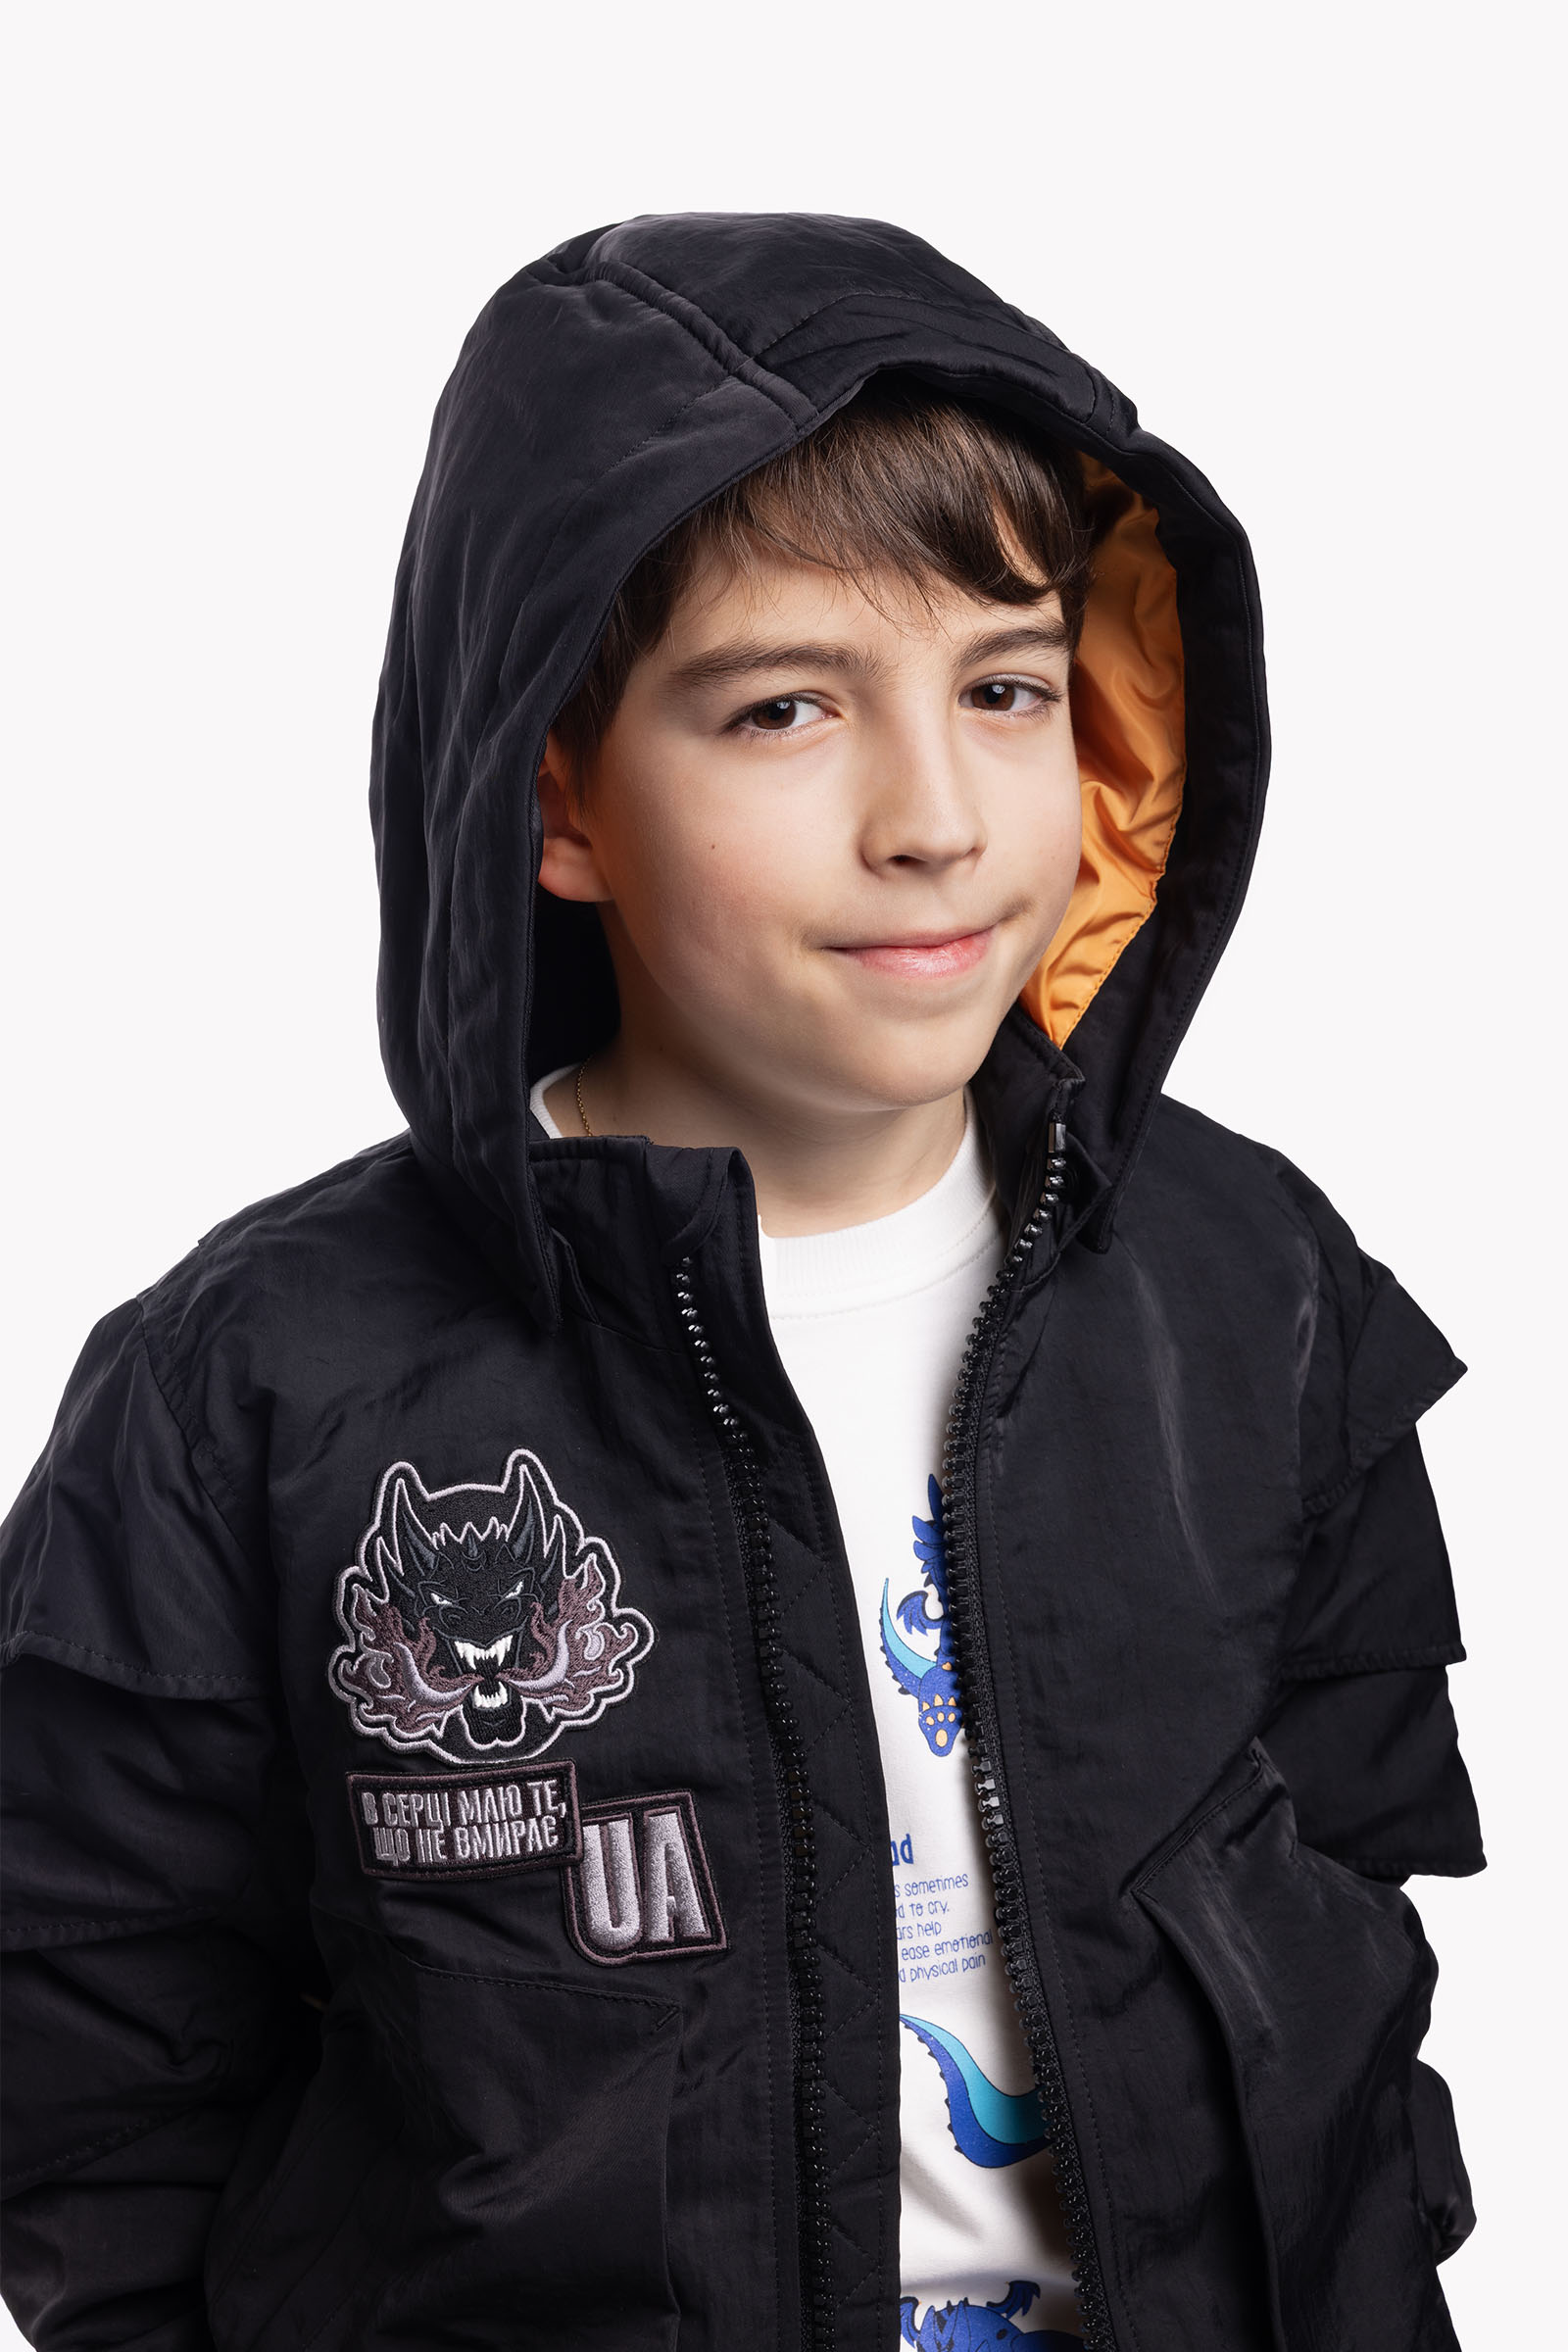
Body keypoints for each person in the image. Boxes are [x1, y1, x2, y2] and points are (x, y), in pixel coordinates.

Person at [0, 213, 1483, 2351]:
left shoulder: (1253, 1294)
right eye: (785, 708)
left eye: (1006, 688)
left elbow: (1349, 1936)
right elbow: (88, 2074)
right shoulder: (256, 1396)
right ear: (559, 792)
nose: (935, 817)